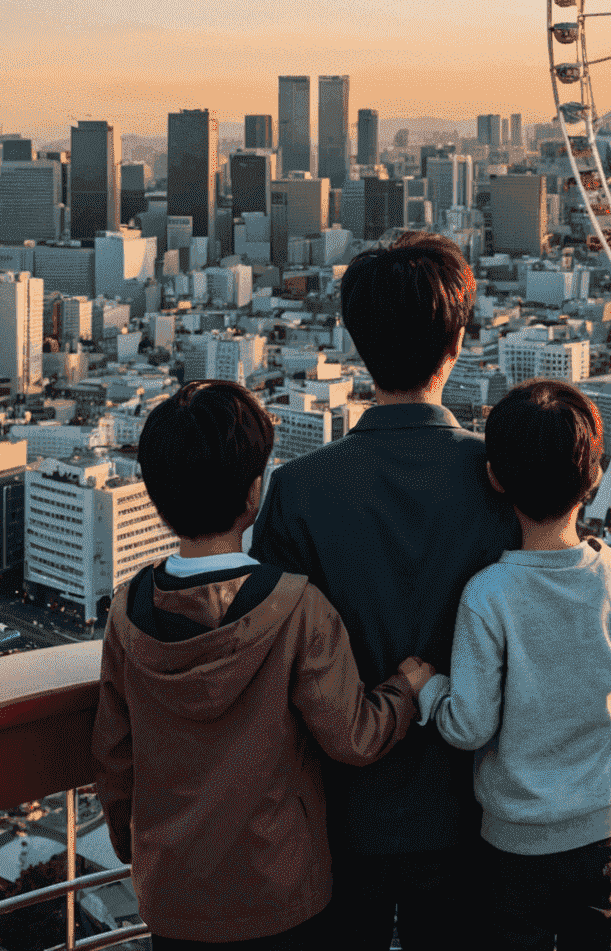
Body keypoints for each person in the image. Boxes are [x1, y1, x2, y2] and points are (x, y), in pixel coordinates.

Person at [92, 380, 435, 951]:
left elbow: (113, 752)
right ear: (253, 494)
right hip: (281, 888)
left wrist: (137, 843)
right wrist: (408, 685)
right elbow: (352, 734)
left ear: (155, 497)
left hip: (175, 893)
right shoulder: (295, 606)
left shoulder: (127, 613)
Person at [252, 232, 520, 948]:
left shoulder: (299, 493)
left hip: (336, 819)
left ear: (357, 342)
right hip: (473, 814)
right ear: (456, 341)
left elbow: (275, 660)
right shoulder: (504, 485)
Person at [418, 380, 611, 951]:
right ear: (594, 477)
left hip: (517, 838)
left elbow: (470, 724)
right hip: (604, 826)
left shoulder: (489, 593)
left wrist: (428, 690)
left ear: (495, 477)